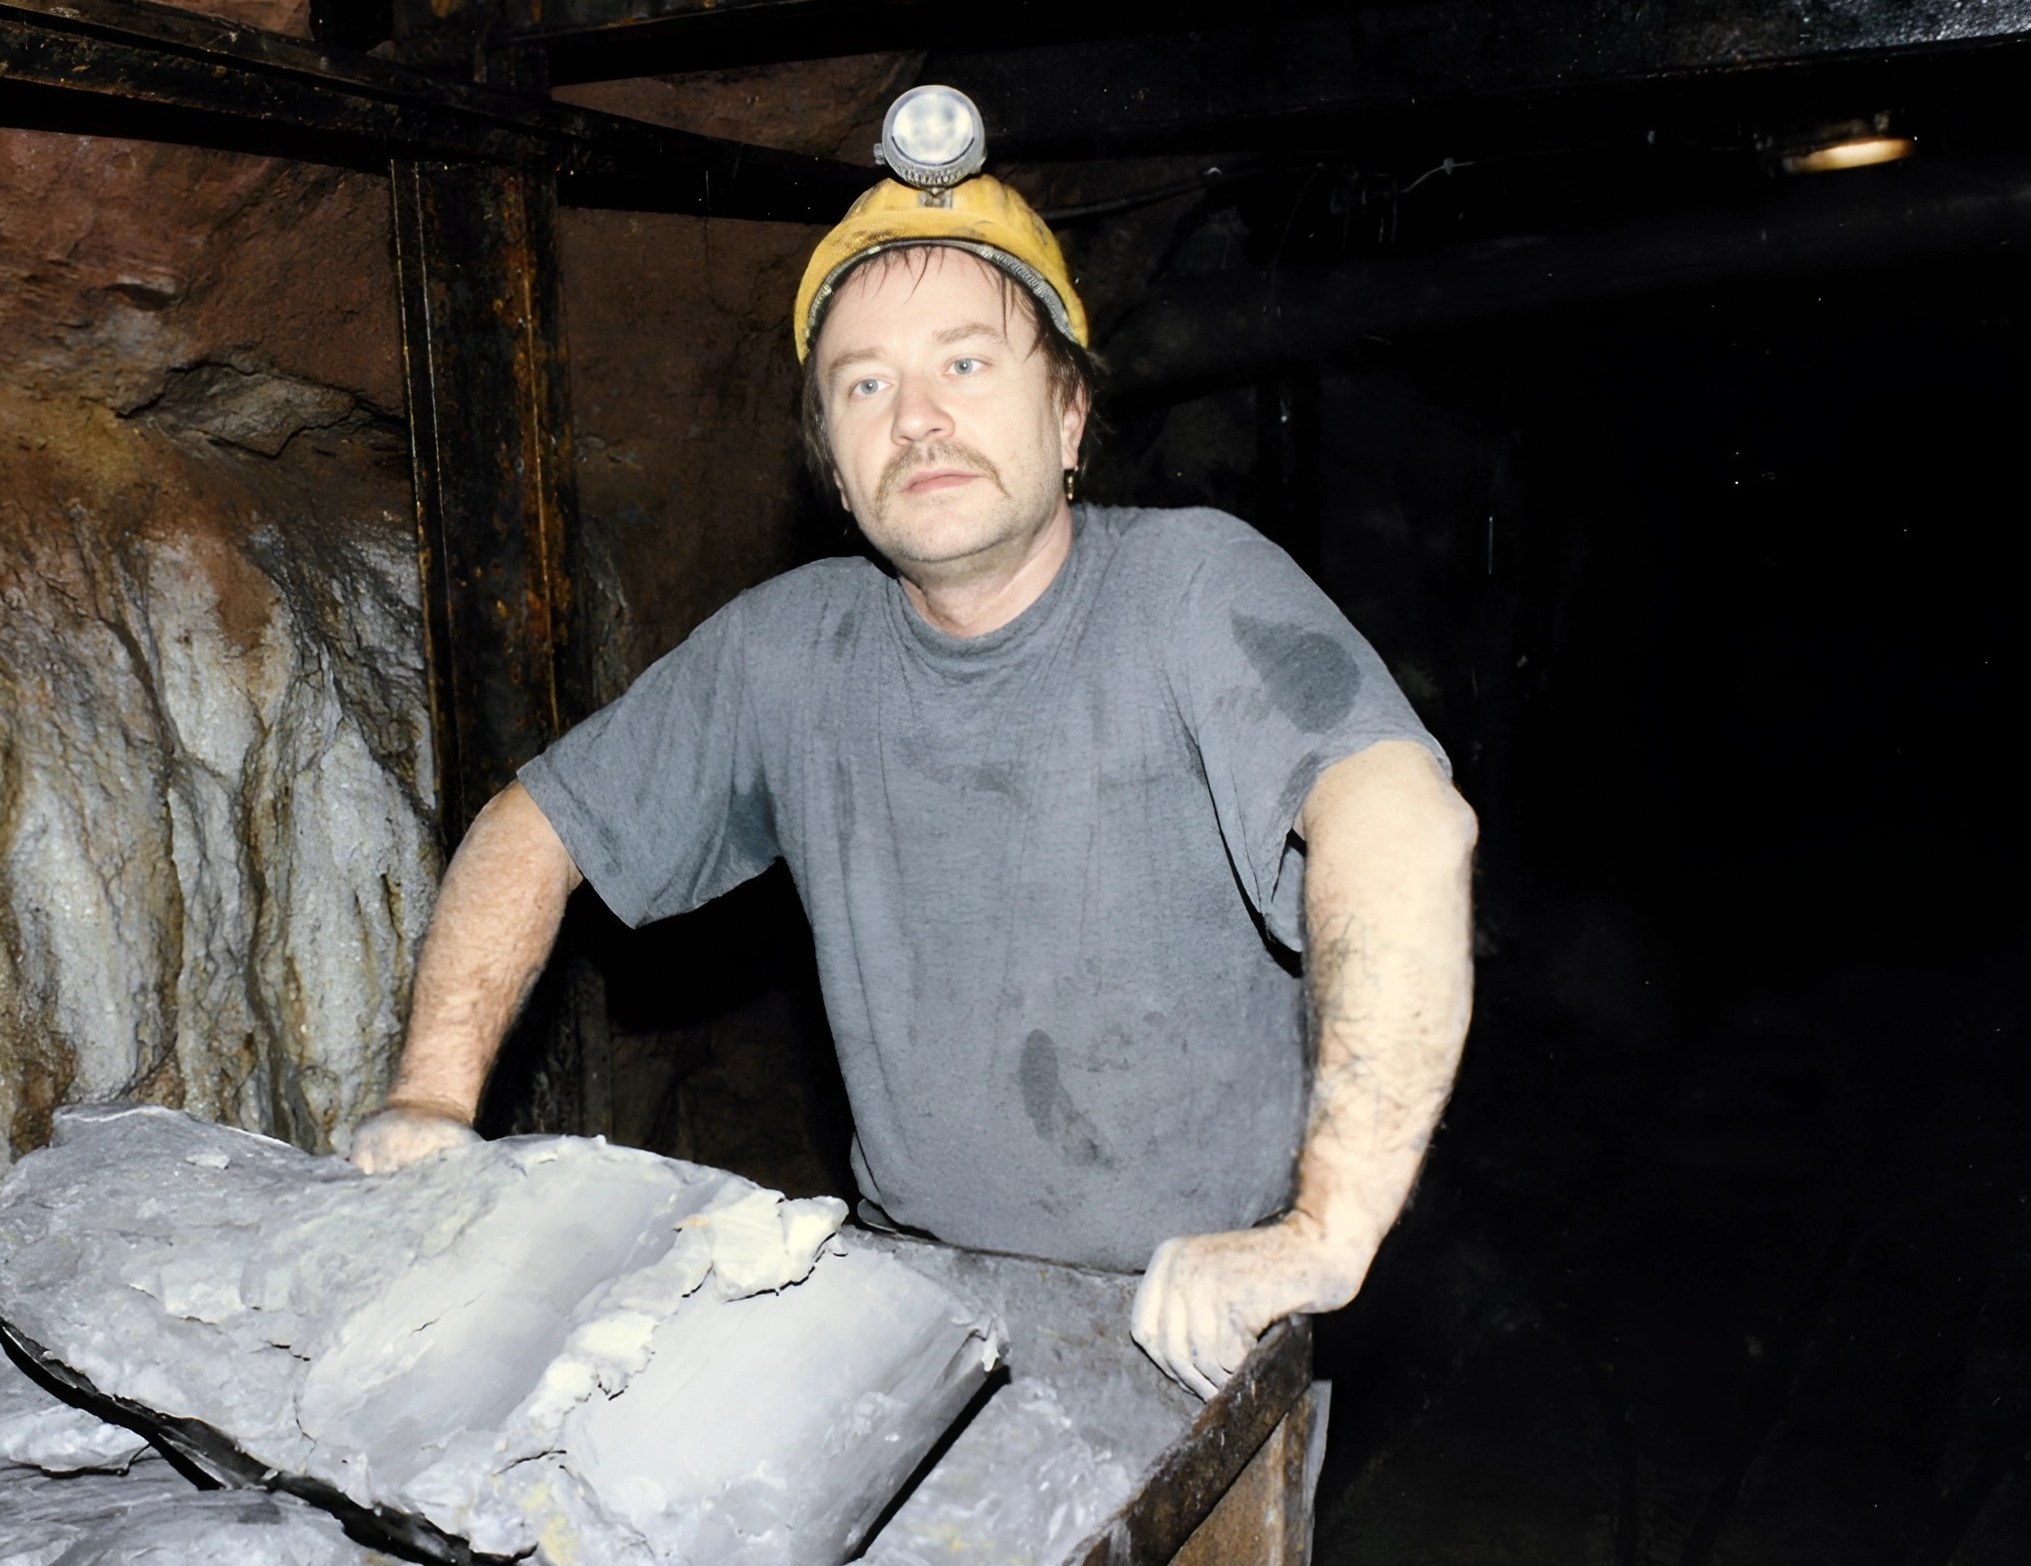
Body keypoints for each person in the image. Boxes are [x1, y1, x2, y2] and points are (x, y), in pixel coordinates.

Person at [346, 89, 1476, 1400]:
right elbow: (531, 829)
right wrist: (431, 1097)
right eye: (865, 386)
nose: (918, 417)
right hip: (921, 1315)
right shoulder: (791, 653)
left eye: (967, 364)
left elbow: (1401, 825)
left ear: (1068, 421)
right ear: (831, 463)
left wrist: (1325, 1232)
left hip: (1192, 1321)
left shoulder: (1192, 593)